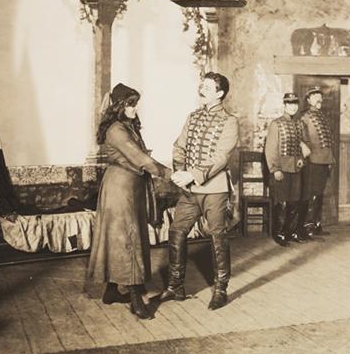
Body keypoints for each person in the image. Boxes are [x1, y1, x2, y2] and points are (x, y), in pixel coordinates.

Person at [87, 83, 169, 320]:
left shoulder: (126, 126)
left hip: (129, 187)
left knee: (119, 237)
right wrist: (167, 173)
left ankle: (112, 291)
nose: (135, 109)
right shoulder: (116, 130)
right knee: (128, 239)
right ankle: (135, 300)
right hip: (120, 189)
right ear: (120, 106)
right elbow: (139, 157)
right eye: (131, 105)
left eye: (135, 104)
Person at [158, 72, 239, 310]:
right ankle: (175, 286)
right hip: (190, 190)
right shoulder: (193, 117)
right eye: (201, 85)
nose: (201, 89)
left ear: (220, 93)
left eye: (207, 87)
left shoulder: (229, 121)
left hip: (214, 190)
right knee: (176, 231)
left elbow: (221, 157)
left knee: (217, 236)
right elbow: (179, 146)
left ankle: (221, 289)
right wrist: (181, 173)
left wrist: (192, 174)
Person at [264, 92, 311, 246]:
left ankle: (289, 232)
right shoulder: (276, 124)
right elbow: (270, 149)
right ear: (284, 105)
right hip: (281, 169)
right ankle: (278, 233)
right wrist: (275, 169)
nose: (293, 107)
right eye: (289, 104)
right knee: (281, 203)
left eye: (295, 104)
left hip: (296, 169)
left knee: (294, 202)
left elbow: (303, 146)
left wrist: (301, 159)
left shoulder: (299, 124)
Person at [298, 86, 335, 238]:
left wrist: (330, 159)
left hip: (325, 160)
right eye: (315, 97)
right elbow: (299, 137)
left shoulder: (323, 117)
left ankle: (317, 225)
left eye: (320, 96)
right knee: (311, 194)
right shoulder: (304, 117)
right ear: (308, 100)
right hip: (312, 161)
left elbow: (328, 141)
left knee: (319, 194)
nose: (319, 99)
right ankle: (308, 227)